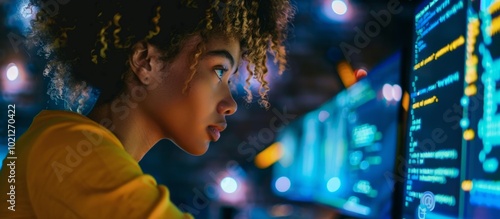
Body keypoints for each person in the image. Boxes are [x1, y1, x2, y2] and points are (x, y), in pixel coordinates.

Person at [0, 0, 295, 218]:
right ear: (146, 62)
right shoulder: (67, 151)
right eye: (219, 72)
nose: (230, 104)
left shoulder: (69, 147)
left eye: (230, 79)